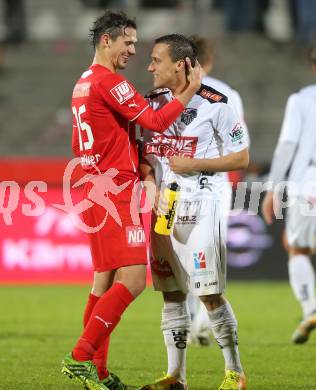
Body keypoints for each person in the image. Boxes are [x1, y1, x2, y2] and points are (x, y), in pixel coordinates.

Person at [61, 11, 201, 390]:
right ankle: (79, 357)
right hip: (115, 190)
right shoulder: (110, 81)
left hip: (93, 187)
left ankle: (99, 374)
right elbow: (154, 122)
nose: (134, 51)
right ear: (107, 40)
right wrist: (189, 91)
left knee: (103, 282)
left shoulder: (82, 83)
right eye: (128, 42)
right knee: (135, 280)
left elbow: (79, 142)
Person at [140, 34, 249, 390]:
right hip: (165, 207)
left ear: (181, 64)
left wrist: (195, 163)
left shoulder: (217, 102)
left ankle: (234, 371)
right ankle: (176, 376)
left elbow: (241, 157)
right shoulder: (151, 103)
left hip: (203, 204)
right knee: (172, 293)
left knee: (207, 292)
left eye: (157, 60)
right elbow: (145, 154)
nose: (150, 66)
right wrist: (152, 183)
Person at [187, 35, 250, 347]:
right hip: (214, 187)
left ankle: (195, 320)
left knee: (185, 258)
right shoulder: (228, 94)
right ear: (209, 60)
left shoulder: (169, 94)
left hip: (179, 188)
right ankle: (201, 320)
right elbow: (240, 140)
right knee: (207, 255)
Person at [262, 46, 316, 344]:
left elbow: (287, 145)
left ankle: (310, 308)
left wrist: (272, 188)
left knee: (296, 247)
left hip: (307, 184)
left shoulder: (302, 99)